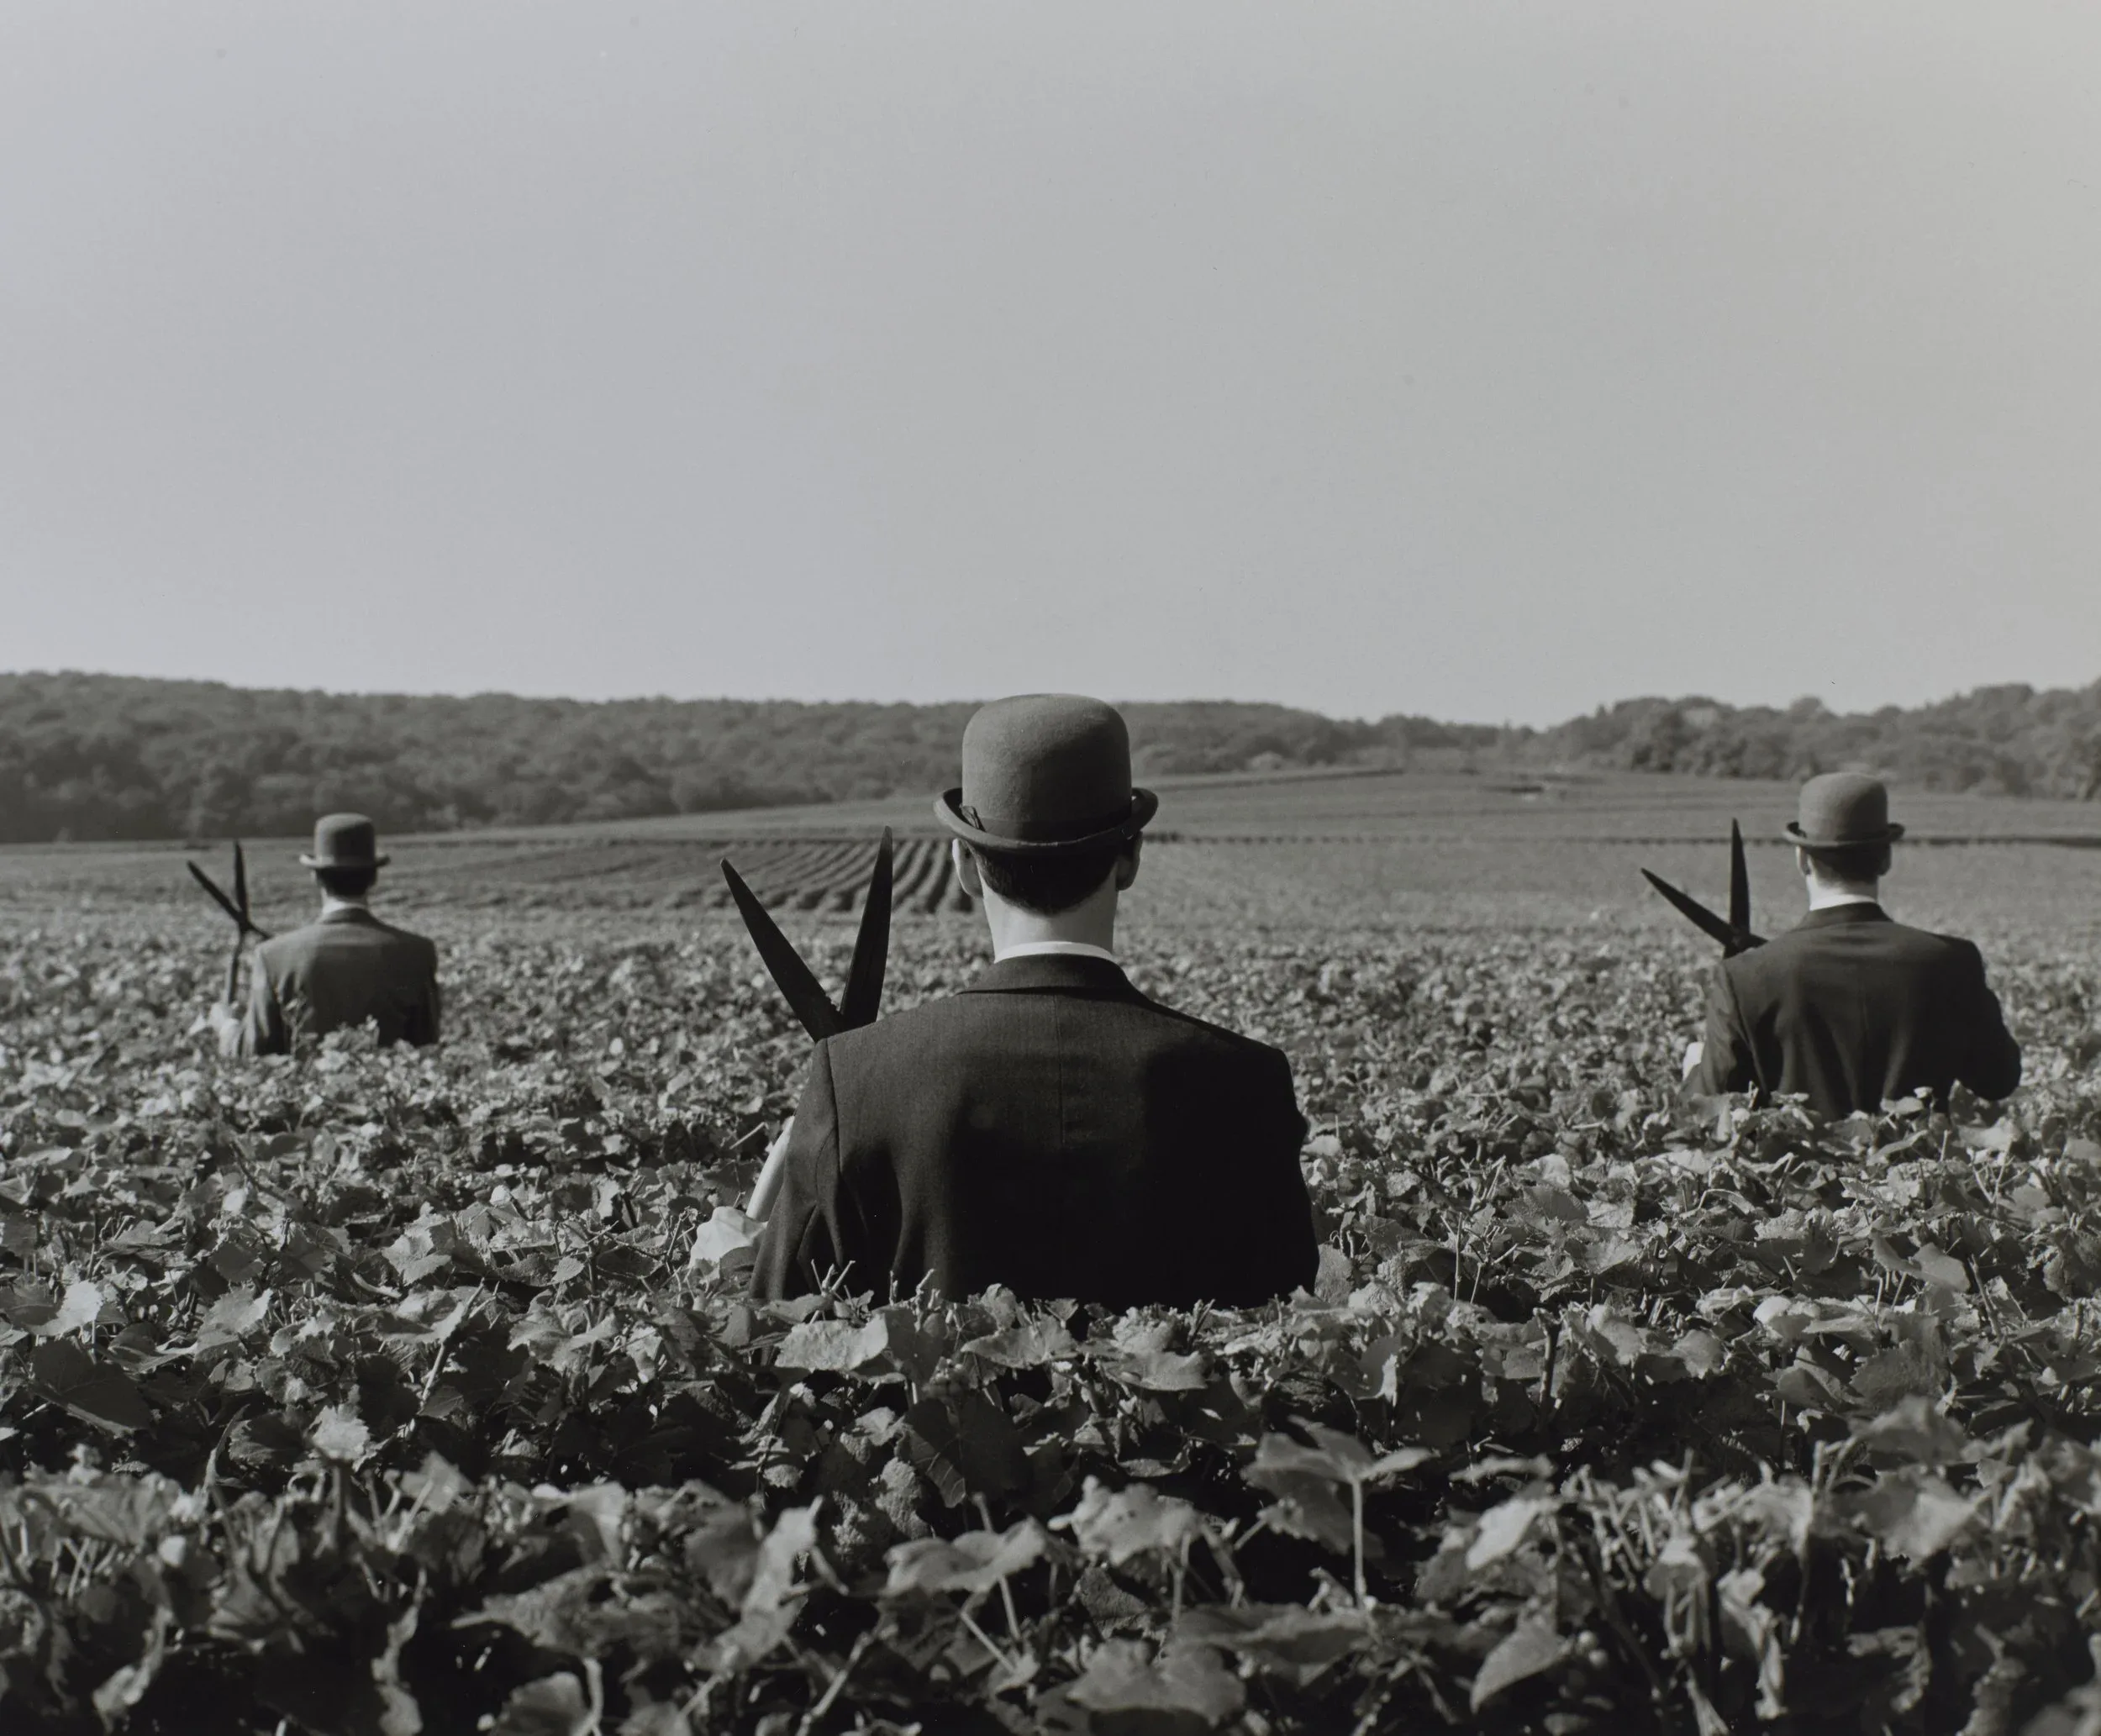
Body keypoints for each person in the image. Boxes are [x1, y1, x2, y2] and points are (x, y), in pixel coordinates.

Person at [749, 694, 1319, 1308]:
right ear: (1129, 858)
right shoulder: (1246, 1082)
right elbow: (1293, 1349)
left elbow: (778, 1350)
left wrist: (733, 1245)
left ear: (964, 864)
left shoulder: (858, 1078)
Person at [1688, 773, 2019, 1116]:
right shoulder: (1953, 963)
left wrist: (1695, 1069)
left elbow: (1712, 1117)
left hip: (1792, 1171)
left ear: (1801, 858)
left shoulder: (1744, 977)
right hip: (1920, 1169)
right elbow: (1998, 1080)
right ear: (1886, 859)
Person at [211, 813, 440, 1057]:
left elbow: (254, 1054)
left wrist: (226, 1025)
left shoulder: (274, 956)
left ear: (315, 877)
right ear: (373, 877)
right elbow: (425, 1050)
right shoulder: (416, 952)